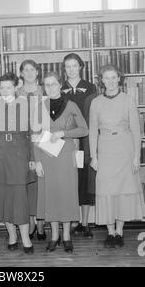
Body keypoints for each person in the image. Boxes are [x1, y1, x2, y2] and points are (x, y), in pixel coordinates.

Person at [32, 71, 88, 253]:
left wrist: (64, 133)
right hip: (46, 157)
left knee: (66, 195)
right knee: (51, 196)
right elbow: (35, 136)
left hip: (65, 156)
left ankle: (66, 236)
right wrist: (37, 162)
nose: (50, 88)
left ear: (60, 84)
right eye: (47, 85)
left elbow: (84, 129)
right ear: (43, 87)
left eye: (54, 84)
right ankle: (54, 236)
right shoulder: (39, 107)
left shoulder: (71, 105)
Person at [89, 64, 144, 248]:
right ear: (101, 80)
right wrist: (94, 157)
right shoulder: (96, 102)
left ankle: (119, 232)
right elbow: (92, 132)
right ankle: (110, 232)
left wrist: (137, 156)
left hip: (125, 149)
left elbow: (136, 130)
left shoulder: (128, 100)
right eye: (107, 78)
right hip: (105, 149)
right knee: (106, 190)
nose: (111, 81)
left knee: (123, 190)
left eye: (114, 77)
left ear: (119, 79)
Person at [0, 73, 36, 254]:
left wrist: (33, 159)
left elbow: (31, 135)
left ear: (15, 88)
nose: (5, 91)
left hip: (20, 153)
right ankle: (12, 236)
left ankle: (26, 237)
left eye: (9, 87)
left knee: (19, 197)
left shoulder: (25, 105)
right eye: (2, 87)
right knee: (2, 197)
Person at [61, 53, 97, 238]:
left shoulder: (91, 88)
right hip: (66, 141)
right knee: (69, 180)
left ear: (81, 67)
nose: (71, 69)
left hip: (86, 140)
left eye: (75, 65)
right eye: (68, 66)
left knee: (85, 180)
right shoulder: (59, 89)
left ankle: (84, 222)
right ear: (64, 69)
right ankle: (73, 220)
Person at [16, 59, 46, 241]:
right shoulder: (16, 93)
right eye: (25, 70)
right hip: (23, 142)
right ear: (21, 73)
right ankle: (30, 221)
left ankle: (41, 222)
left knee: (41, 182)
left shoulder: (44, 91)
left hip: (42, 140)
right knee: (26, 182)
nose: (28, 73)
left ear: (37, 72)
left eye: (32, 69)